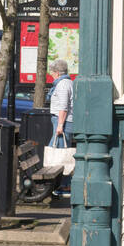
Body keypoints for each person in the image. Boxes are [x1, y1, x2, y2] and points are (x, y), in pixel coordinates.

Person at [48, 59, 74, 199]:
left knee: (61, 154)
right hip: (64, 122)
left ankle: (64, 186)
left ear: (57, 72)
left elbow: (63, 106)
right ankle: (62, 185)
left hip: (63, 123)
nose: (51, 74)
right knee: (62, 152)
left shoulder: (62, 85)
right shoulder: (68, 82)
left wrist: (59, 125)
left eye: (52, 72)